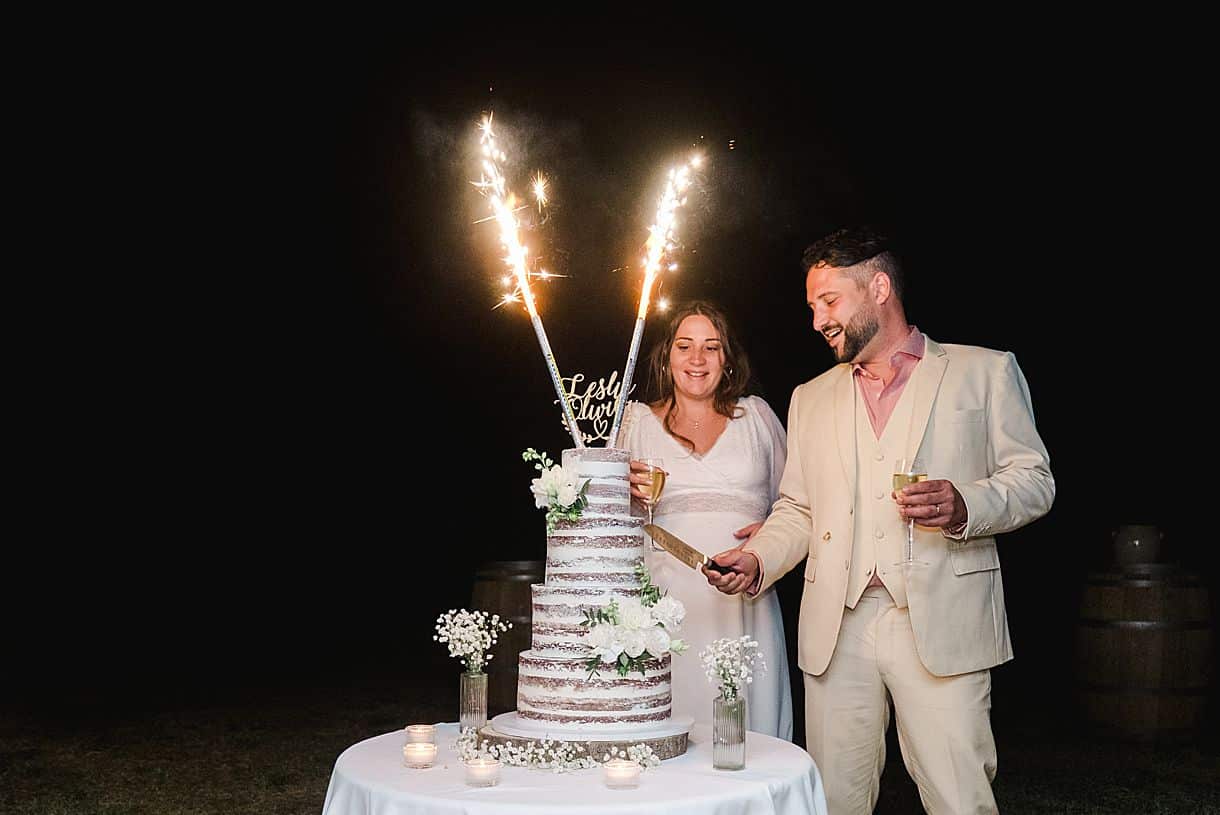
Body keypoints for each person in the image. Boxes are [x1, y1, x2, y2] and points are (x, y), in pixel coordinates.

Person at [704, 226, 1054, 814]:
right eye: (812, 306)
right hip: (837, 627)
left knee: (959, 796)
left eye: (830, 301)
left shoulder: (984, 372)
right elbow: (799, 507)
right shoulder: (810, 397)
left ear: (880, 288)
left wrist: (966, 504)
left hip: (940, 619)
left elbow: (1035, 480)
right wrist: (760, 555)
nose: (818, 320)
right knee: (836, 799)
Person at [617, 300, 794, 740]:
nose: (697, 360)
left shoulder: (757, 418)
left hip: (745, 602)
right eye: (684, 346)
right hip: (666, 608)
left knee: (748, 735)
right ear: (666, 355)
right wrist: (621, 493)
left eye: (711, 348)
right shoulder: (635, 421)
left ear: (727, 359)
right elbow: (611, 522)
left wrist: (768, 534)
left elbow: (797, 505)